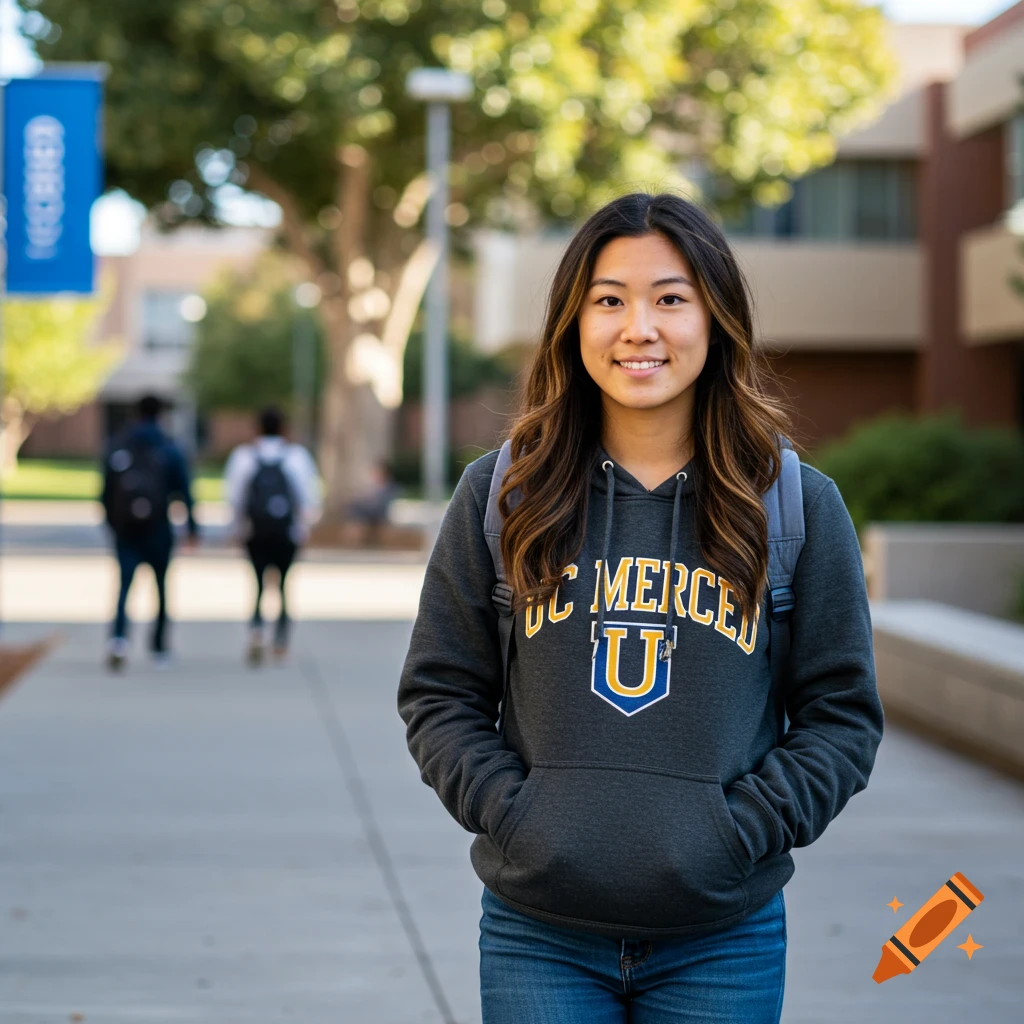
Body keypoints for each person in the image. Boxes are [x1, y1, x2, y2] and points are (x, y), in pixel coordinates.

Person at [397, 193, 884, 1023]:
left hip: (722, 940)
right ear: (572, 322)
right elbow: (440, 692)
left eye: (670, 298)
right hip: (537, 936)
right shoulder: (503, 494)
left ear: (715, 317)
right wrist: (518, 819)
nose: (639, 328)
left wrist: (740, 832)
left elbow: (842, 716)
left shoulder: (794, 503)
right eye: (609, 300)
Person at [102, 393, 198, 670]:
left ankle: (118, 640)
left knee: (124, 586)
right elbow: (184, 492)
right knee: (161, 587)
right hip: (158, 529)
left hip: (126, 530)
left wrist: (113, 525)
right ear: (160, 415)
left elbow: (106, 493)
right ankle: (158, 646)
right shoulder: (168, 448)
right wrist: (191, 527)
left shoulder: (120, 446)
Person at [224, 405, 320, 664]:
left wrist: (236, 528)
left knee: (257, 583)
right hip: (286, 533)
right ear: (284, 428)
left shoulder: (244, 456)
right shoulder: (296, 457)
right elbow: (308, 498)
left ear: (256, 428)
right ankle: (280, 642)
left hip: (255, 532)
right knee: (283, 586)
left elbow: (235, 498)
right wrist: (304, 528)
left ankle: (256, 631)